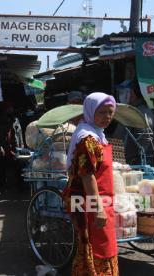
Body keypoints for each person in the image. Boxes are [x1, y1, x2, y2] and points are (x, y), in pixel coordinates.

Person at [63, 92, 118, 275]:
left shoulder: (97, 134)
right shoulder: (87, 139)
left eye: (110, 112)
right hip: (89, 201)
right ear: (90, 111)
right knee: (95, 245)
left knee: (104, 243)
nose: (107, 117)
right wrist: (98, 208)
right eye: (102, 112)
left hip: (101, 199)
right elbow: (88, 177)